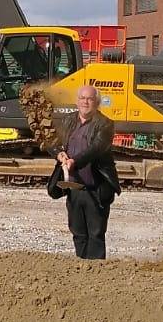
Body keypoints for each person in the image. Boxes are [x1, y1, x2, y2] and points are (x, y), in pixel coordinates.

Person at [48, 84, 120, 259]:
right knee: (78, 232)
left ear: (96, 102)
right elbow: (51, 142)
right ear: (77, 101)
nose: (85, 102)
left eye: (89, 99)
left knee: (95, 234)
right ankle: (80, 269)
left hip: (95, 187)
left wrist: (75, 161)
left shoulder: (105, 124)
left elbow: (96, 148)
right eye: (82, 98)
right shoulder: (67, 121)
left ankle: (96, 273)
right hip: (73, 187)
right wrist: (59, 154)